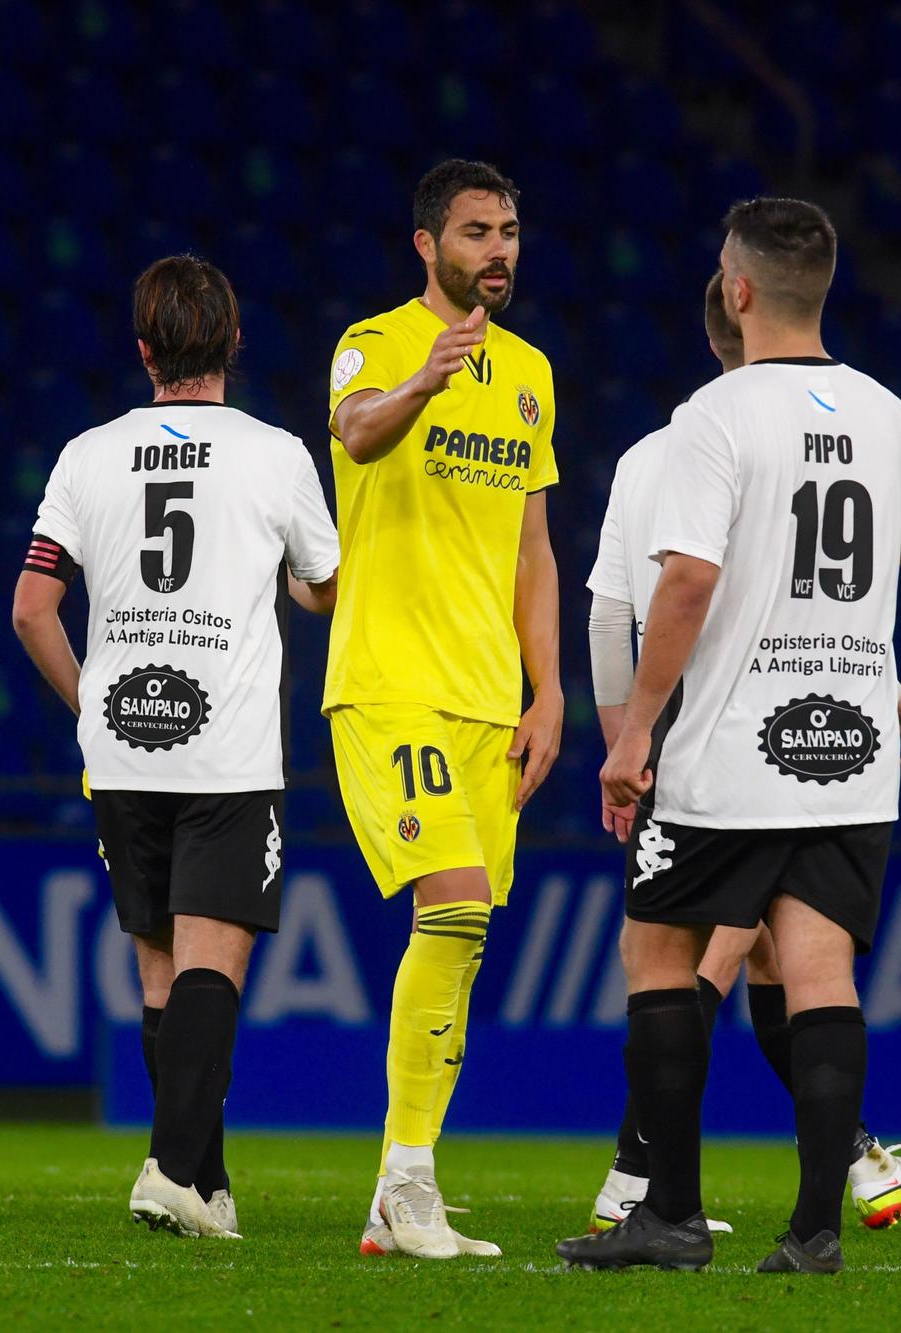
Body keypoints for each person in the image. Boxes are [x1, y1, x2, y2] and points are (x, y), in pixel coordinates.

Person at [560, 198, 901, 1275]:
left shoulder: (712, 419)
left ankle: (664, 1208)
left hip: (729, 750)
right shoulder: (885, 415)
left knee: (656, 952)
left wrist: (632, 734)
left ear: (738, 289)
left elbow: (687, 580)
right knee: (814, 966)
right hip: (848, 754)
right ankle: (812, 1230)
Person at [13, 255, 339, 1240]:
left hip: (120, 748)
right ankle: (167, 1164)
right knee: (211, 966)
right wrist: (292, 581)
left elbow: (32, 608)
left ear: (144, 349)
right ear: (234, 344)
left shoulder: (85, 453)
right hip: (227, 749)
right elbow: (321, 588)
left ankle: (204, 1180)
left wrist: (89, 705)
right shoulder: (276, 454)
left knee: (159, 972)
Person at [324, 159, 563, 1259]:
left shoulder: (527, 374)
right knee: (454, 907)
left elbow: (531, 548)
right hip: (388, 682)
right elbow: (359, 430)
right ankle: (406, 1179)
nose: (497, 249)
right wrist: (425, 380)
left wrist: (548, 688)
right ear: (426, 244)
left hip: (485, 699)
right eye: (475, 231)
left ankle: (400, 1190)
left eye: (507, 230)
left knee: (461, 943)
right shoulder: (374, 341)